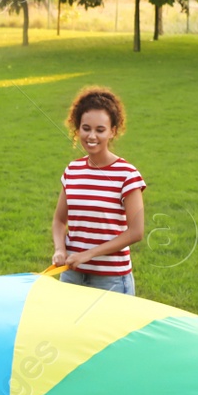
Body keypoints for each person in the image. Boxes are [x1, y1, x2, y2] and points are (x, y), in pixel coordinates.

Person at [51, 87, 146, 295]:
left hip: (110, 281)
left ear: (113, 131)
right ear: (78, 129)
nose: (91, 136)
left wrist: (89, 254)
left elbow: (136, 231)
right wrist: (60, 249)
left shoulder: (127, 175)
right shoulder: (72, 170)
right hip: (71, 275)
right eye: (86, 128)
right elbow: (59, 220)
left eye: (100, 130)